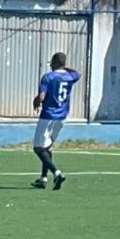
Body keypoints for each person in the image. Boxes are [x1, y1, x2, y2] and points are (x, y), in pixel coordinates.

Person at [30, 52, 81, 190]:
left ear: (54, 63)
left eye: (52, 63)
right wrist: (64, 67)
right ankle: (43, 178)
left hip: (48, 116)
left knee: (38, 148)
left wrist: (36, 100)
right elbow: (78, 73)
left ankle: (56, 173)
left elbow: (42, 97)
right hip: (62, 116)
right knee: (47, 147)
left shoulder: (48, 77)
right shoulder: (70, 76)